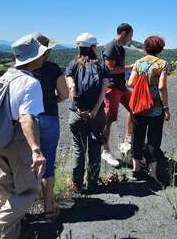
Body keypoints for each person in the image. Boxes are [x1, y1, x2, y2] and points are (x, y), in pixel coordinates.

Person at [0, 35, 47, 239]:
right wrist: (36, 150)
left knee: (7, 191)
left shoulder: (4, 77)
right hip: (19, 140)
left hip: (0, 138)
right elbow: (26, 118)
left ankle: (8, 236)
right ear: (34, 58)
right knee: (27, 191)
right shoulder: (30, 83)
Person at [66, 33, 110, 193]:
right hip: (96, 115)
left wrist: (80, 110)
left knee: (79, 148)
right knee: (94, 148)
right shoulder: (103, 66)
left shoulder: (73, 64)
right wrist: (94, 111)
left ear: (79, 47)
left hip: (77, 114)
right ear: (93, 47)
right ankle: (92, 183)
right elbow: (103, 92)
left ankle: (77, 184)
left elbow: (72, 87)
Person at [32, 33, 69, 221]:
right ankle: (48, 208)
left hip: (26, 120)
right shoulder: (53, 68)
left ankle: (19, 210)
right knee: (48, 165)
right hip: (49, 118)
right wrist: (51, 100)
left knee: (23, 163)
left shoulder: (20, 68)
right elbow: (64, 94)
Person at [127, 36, 170, 182]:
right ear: (161, 49)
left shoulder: (138, 63)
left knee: (137, 137)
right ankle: (152, 173)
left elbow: (131, 82)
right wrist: (166, 107)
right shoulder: (163, 64)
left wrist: (143, 83)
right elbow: (162, 87)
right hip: (156, 108)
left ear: (146, 48)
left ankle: (136, 169)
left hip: (139, 107)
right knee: (154, 139)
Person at [101, 23, 134, 167]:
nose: (131, 39)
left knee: (136, 107)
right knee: (108, 120)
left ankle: (128, 140)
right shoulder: (110, 46)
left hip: (121, 86)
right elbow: (109, 69)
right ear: (123, 33)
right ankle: (105, 151)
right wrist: (129, 68)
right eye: (130, 36)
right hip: (112, 87)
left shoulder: (120, 48)